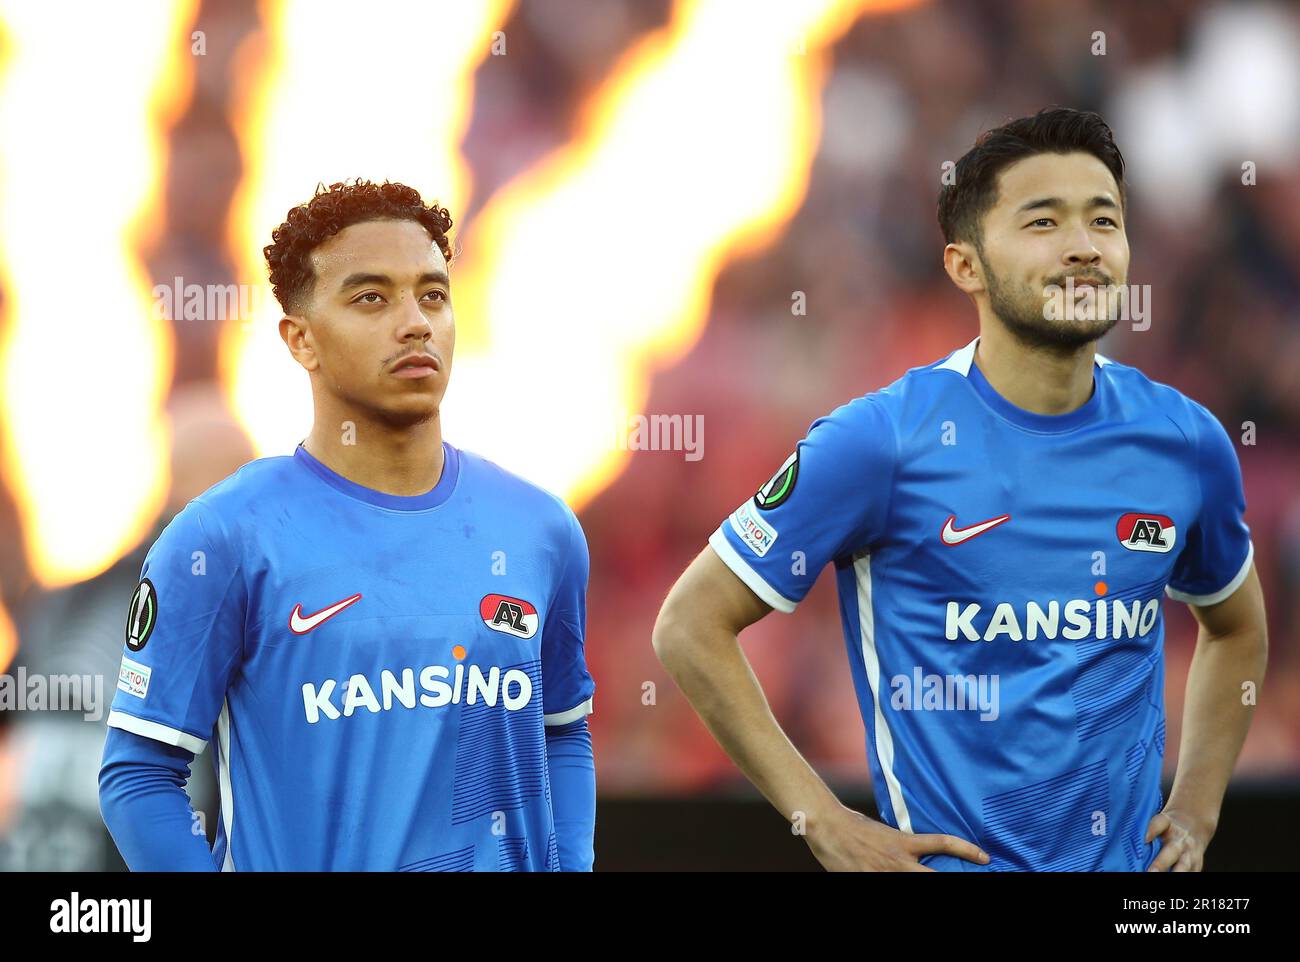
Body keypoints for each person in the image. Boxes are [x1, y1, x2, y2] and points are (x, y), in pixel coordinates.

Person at [653, 108, 1268, 872]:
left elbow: (1236, 627)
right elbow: (689, 625)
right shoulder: (880, 441)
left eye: (1103, 220)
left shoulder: (1186, 442)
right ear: (965, 266)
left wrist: (1198, 810)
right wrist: (821, 819)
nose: (1083, 247)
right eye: (1042, 223)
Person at [99, 180, 596, 871]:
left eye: (432, 294)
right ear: (300, 340)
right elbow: (138, 777)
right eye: (372, 298)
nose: (416, 322)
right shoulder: (222, 537)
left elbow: (563, 736)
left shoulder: (541, 530)